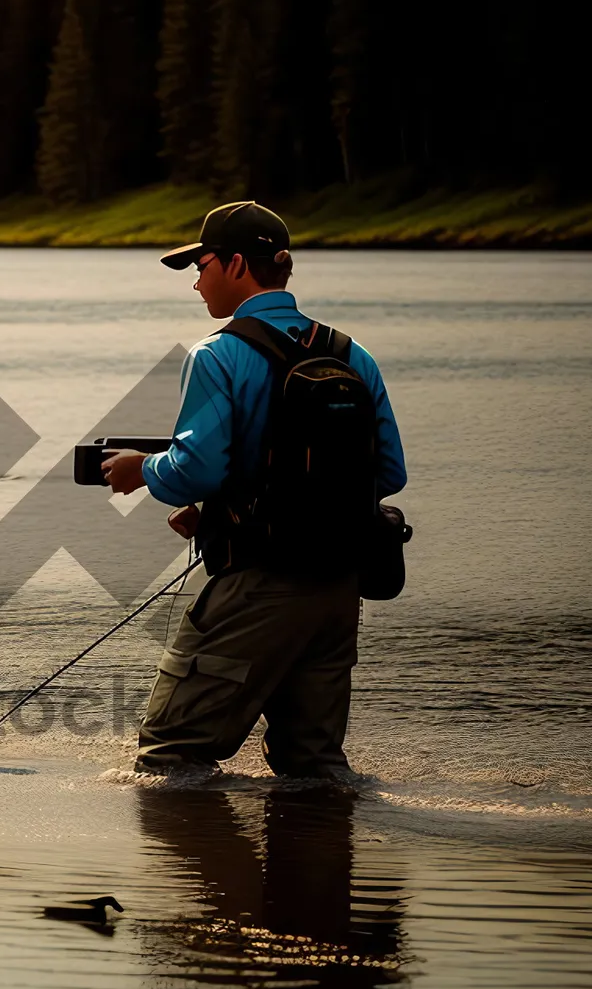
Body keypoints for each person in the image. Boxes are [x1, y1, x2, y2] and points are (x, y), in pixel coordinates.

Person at [102, 201, 406, 779]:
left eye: (203, 264)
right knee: (312, 764)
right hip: (339, 588)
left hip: (260, 582)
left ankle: (204, 866)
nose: (196, 282)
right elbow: (387, 474)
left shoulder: (216, 354)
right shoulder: (352, 354)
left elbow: (195, 471)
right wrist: (235, 510)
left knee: (167, 756)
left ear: (237, 263)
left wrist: (141, 470)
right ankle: (321, 862)